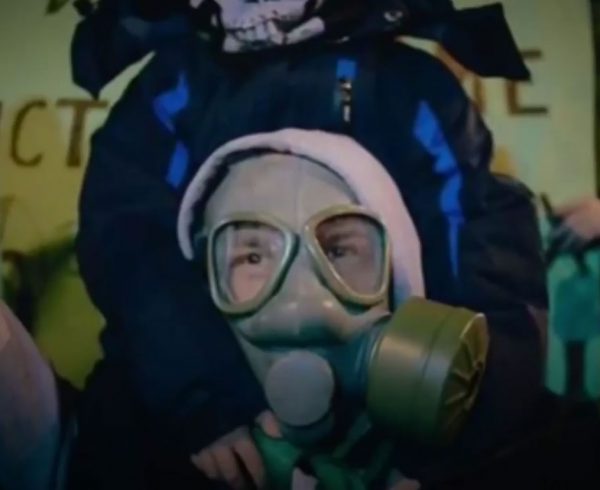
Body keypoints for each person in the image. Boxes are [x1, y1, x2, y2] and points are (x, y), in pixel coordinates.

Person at [69, 1, 547, 488]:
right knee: (116, 434)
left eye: (336, 250)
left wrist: (446, 429)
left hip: (392, 411)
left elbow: (481, 257)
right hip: (209, 402)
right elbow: (131, 249)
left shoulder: (410, 90)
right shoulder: (172, 90)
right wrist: (201, 396)